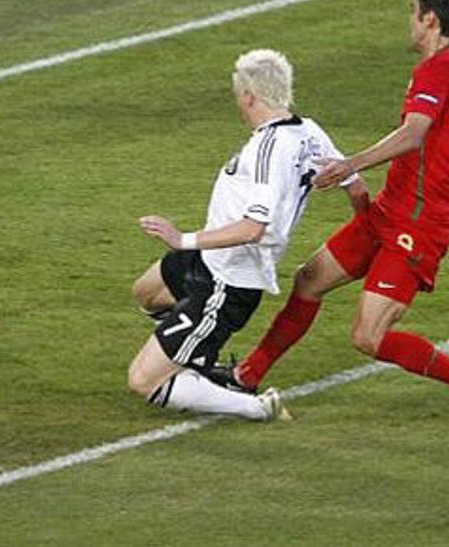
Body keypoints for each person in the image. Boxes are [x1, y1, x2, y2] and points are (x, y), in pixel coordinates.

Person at [208, 0, 449, 397]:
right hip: (392, 211)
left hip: (415, 226)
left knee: (368, 336)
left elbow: (414, 134)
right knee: (309, 279)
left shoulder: (437, 71)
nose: (410, 19)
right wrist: (438, 186)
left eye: (413, 11)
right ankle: (246, 376)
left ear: (430, 19)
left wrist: (352, 164)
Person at [127, 48, 368, 421]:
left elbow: (253, 229)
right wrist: (367, 231)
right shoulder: (308, 132)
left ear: (249, 96)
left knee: (143, 380)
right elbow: (355, 184)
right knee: (147, 292)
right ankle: (193, 354)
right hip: (210, 257)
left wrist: (182, 239)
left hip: (227, 280)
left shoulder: (268, 149)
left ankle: (255, 406)